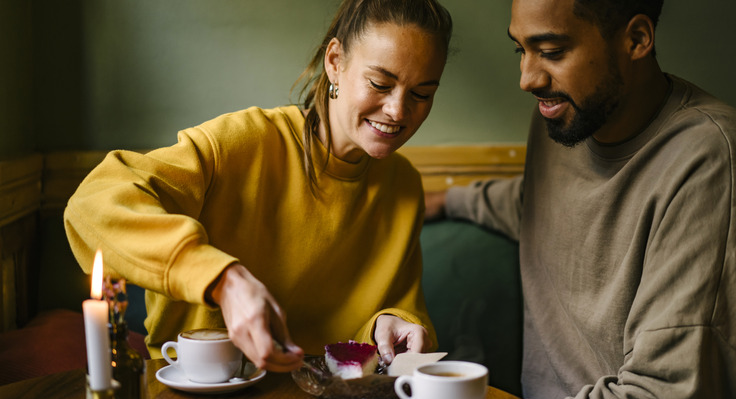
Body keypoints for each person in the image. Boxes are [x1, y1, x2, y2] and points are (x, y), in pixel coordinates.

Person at [426, 0, 736, 399]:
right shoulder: (566, 121)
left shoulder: (711, 161)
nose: (528, 79)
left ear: (637, 39)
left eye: (552, 51)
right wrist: (441, 201)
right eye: (521, 50)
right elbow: (541, 203)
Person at [64, 0, 453, 373]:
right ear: (335, 62)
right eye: (380, 83)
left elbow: (400, 308)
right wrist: (222, 280)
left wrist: (392, 323)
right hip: (197, 398)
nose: (399, 111)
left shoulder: (403, 184)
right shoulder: (242, 143)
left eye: (422, 94)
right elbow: (91, 205)